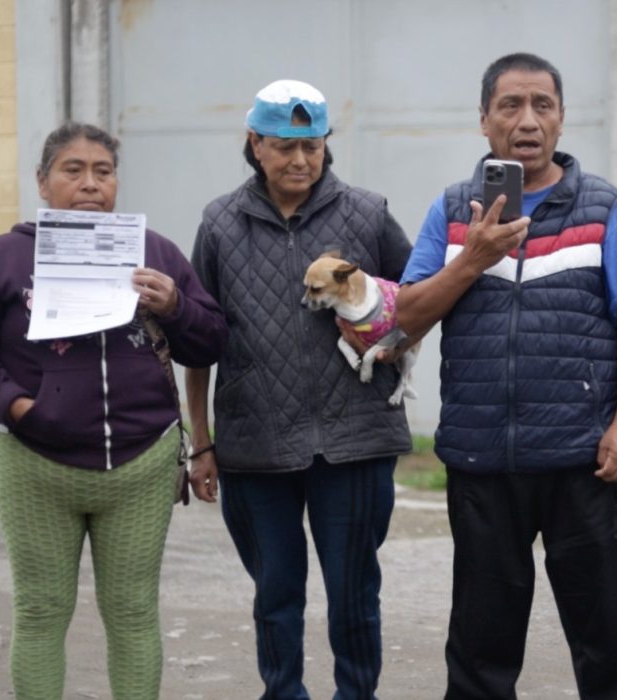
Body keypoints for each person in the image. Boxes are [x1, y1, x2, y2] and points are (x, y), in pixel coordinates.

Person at [396, 52, 617, 700]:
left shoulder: (601, 208)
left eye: (542, 105)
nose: (527, 120)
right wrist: (472, 258)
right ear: (484, 119)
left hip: (581, 461)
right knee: (479, 654)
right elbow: (406, 316)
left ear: (561, 118)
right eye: (510, 105)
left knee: (605, 646)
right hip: (483, 460)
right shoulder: (453, 210)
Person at [185, 79, 413, 699]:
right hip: (255, 442)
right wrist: (201, 442)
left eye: (312, 146)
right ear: (255, 144)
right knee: (275, 594)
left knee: (354, 593)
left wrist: (397, 339)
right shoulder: (220, 224)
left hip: (356, 439)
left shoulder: (366, 212)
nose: (300, 160)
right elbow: (201, 340)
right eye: (284, 146)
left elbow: (419, 294)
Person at [0, 122, 227, 699]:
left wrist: (175, 306)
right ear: (43, 181)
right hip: (35, 463)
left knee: (132, 611)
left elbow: (211, 342)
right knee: (41, 609)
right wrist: (16, 405)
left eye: (103, 171)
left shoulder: (155, 253)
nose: (90, 184)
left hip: (139, 462)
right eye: (73, 170)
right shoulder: (8, 257)